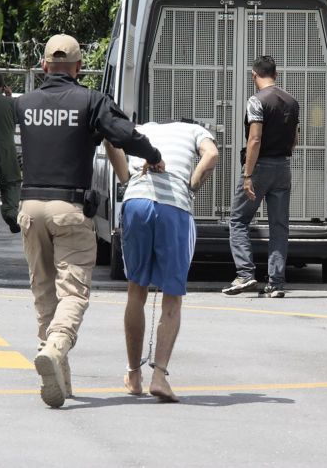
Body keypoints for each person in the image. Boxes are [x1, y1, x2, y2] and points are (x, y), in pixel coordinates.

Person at [16, 34, 164, 408]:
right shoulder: (91, 100)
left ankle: (59, 378)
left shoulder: (26, 103)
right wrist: (153, 155)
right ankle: (55, 347)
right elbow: (122, 134)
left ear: (44, 65)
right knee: (74, 292)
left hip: (30, 207)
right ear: (79, 67)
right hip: (70, 209)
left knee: (43, 291)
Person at [108, 121, 218, 402]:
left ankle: (133, 375)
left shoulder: (141, 128)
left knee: (136, 289)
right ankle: (159, 376)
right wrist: (192, 185)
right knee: (172, 296)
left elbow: (111, 142)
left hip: (136, 201)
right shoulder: (196, 131)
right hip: (174, 207)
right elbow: (212, 154)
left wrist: (125, 178)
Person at [222, 55, 300, 298]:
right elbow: (295, 139)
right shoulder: (292, 101)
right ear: (275, 75)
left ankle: (245, 274)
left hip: (260, 167)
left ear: (253, 75)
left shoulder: (256, 101)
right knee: (279, 227)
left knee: (238, 220)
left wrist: (248, 174)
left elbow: (254, 139)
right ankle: (276, 283)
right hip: (283, 168)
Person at [0, 73, 22, 236]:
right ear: (3, 85)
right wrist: (9, 96)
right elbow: (18, 119)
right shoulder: (11, 103)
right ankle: (11, 214)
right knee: (12, 183)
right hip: (7, 149)